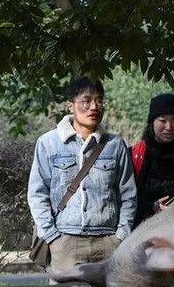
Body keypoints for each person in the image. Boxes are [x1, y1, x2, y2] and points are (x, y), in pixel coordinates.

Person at [27, 76, 136, 273]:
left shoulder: (114, 146)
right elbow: (37, 194)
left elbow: (128, 194)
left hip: (108, 242)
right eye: (86, 101)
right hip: (65, 242)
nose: (94, 107)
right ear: (71, 105)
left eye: (99, 100)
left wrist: (121, 236)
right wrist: (52, 237)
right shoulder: (48, 143)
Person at [130, 93, 174, 227]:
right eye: (163, 121)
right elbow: (126, 199)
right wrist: (152, 207)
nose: (169, 127)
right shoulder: (135, 155)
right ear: (152, 122)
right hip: (142, 231)